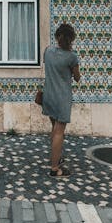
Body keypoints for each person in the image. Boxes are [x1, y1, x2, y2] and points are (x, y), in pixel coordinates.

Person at [42, 22, 81, 177]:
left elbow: (49, 65)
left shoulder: (48, 51)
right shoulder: (72, 57)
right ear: (71, 39)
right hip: (62, 98)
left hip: (48, 95)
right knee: (59, 132)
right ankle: (54, 169)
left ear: (57, 36)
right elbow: (77, 78)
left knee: (54, 128)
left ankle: (56, 157)